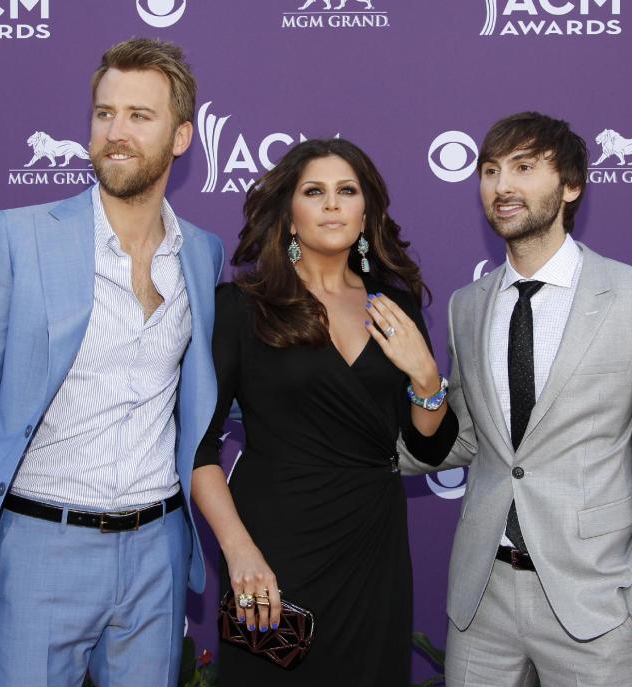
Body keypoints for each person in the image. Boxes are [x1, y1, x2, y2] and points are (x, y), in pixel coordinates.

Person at [0, 38, 224, 686]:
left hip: (158, 551)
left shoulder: (202, 254)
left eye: (140, 116)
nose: (116, 133)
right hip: (42, 548)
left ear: (181, 136)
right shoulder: (19, 236)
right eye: (104, 113)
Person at [400, 112, 632, 686]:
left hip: (595, 603)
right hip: (481, 598)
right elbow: (468, 438)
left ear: (572, 185)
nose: (502, 186)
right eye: (490, 171)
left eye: (524, 168)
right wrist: (393, 415)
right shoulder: (468, 305)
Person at [192, 138, 459, 685]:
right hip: (272, 545)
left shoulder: (396, 305)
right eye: (315, 192)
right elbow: (199, 446)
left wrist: (426, 377)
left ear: (366, 212)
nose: (333, 204)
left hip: (373, 544)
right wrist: (239, 551)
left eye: (347, 191)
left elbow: (429, 445)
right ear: (290, 216)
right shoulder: (243, 308)